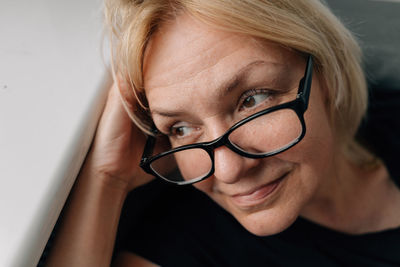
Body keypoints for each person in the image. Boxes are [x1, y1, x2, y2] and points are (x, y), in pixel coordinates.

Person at [46, 0, 400, 266]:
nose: (229, 170)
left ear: (324, 74)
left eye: (253, 100)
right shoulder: (185, 246)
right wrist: (106, 178)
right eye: (180, 128)